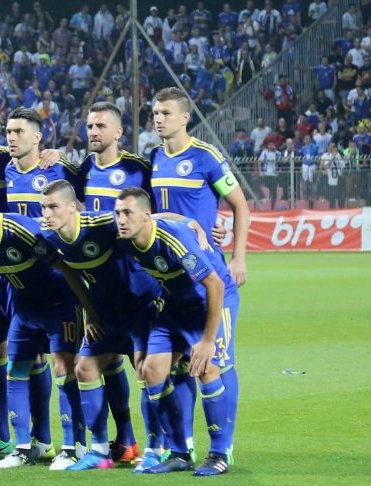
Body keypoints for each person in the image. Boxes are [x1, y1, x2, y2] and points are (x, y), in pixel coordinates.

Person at [0, 178, 96, 470]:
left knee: (63, 368)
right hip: (25, 309)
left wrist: (90, 312)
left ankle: (74, 446)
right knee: (16, 371)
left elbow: (66, 269)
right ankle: (22, 449)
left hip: (59, 305)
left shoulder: (21, 231)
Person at [149, 87, 250, 467]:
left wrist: (239, 257)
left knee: (215, 362)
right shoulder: (155, 158)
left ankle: (223, 449)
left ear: (184, 117)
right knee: (176, 365)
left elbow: (240, 205)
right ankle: (183, 448)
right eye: (155, 113)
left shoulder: (206, 157)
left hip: (208, 274)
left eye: (165, 113)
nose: (159, 119)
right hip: (172, 280)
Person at [38, 180, 164, 471]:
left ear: (72, 207)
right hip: (105, 312)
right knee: (85, 368)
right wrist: (91, 312)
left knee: (145, 371)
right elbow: (69, 274)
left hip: (140, 306)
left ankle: (156, 448)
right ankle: (99, 451)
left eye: (53, 206)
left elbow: (149, 219)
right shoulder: (48, 237)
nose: (46, 213)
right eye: (43, 207)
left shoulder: (102, 223)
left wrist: (191, 223)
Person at [114, 187, 239, 476]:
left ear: (145, 216)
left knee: (207, 368)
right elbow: (162, 215)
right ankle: (180, 453)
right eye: (118, 213)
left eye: (127, 213)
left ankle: (220, 453)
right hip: (175, 305)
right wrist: (188, 219)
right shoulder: (127, 232)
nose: (121, 219)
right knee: (151, 370)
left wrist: (207, 341)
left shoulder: (173, 239)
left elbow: (215, 285)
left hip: (211, 301)